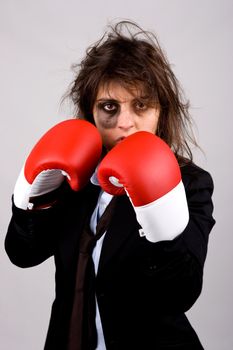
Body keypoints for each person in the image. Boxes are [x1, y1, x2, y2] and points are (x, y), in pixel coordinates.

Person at [5, 20, 215, 350]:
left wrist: (161, 216)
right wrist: (31, 200)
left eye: (141, 105)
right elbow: (22, 254)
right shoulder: (72, 175)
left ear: (162, 111)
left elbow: (181, 294)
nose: (124, 123)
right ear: (90, 112)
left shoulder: (191, 183)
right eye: (109, 107)